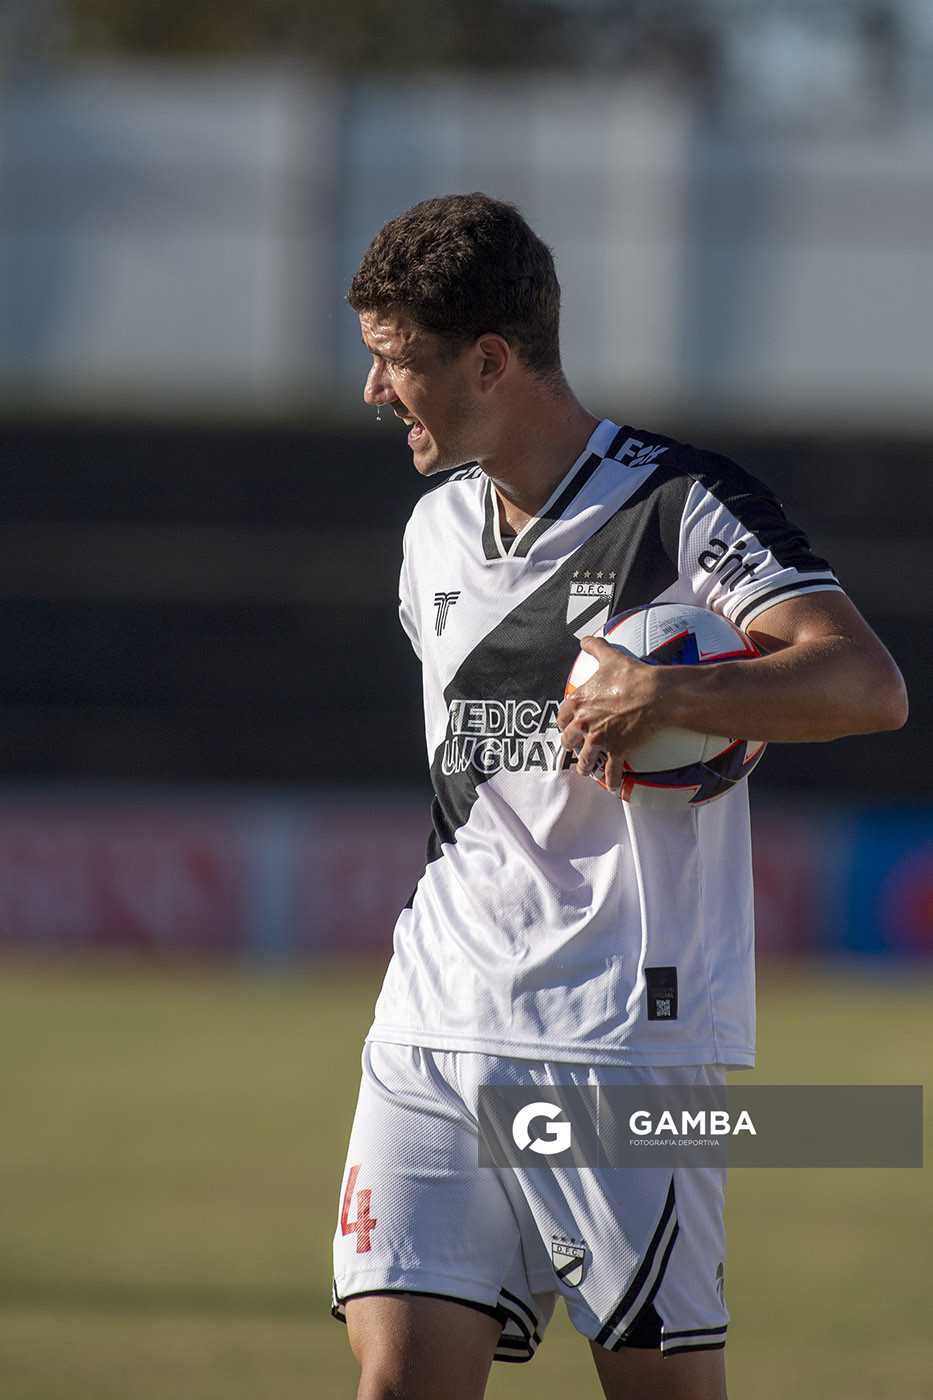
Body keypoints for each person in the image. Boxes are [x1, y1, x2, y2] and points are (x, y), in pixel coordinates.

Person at [331, 192, 907, 1400]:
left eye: (396, 359)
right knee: (396, 1385)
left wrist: (673, 692)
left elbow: (868, 683)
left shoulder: (681, 506)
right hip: (431, 1021)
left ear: (489, 361)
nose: (375, 390)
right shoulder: (432, 533)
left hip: (619, 1045)